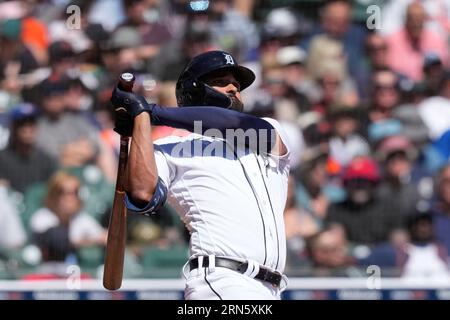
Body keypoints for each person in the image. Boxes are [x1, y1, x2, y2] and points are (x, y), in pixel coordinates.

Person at [110, 50, 291, 300]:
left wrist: (149, 111)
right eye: (220, 82)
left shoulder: (265, 134)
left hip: (271, 288)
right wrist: (139, 119)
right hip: (221, 280)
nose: (232, 88)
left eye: (237, 84)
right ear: (193, 91)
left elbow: (232, 122)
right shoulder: (169, 148)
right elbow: (142, 193)